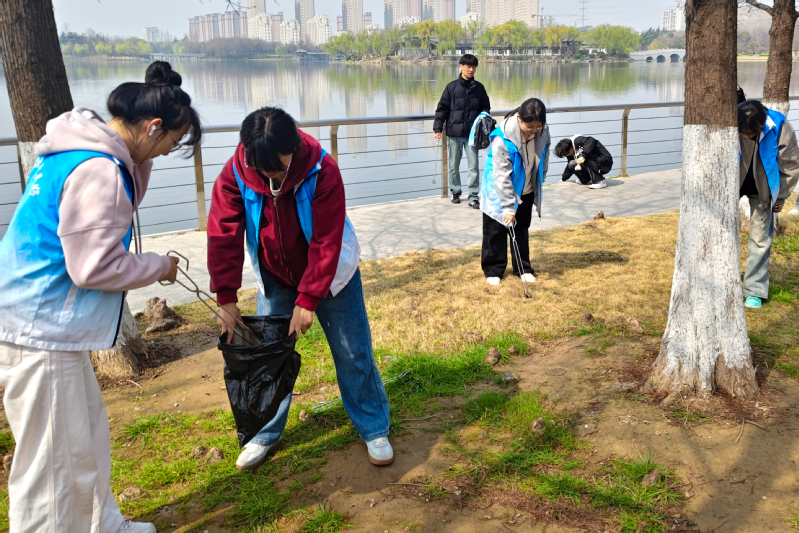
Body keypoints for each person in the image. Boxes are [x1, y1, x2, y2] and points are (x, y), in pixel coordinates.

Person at [0, 62, 200, 533]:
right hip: (40, 329)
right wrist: (158, 266)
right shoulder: (99, 170)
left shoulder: (81, 151)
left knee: (84, 437)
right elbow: (93, 267)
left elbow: (115, 211)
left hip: (41, 322)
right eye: (171, 143)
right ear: (153, 127)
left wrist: (138, 161)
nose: (166, 152)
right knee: (51, 465)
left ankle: (103, 525)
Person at [207, 107, 393, 470]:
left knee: (353, 352)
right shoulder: (235, 172)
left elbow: (326, 241)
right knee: (269, 357)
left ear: (292, 147)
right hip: (275, 277)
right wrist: (226, 298)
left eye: (278, 166)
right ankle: (264, 432)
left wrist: (308, 299)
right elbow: (222, 235)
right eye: (263, 168)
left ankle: (374, 427)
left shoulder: (323, 169)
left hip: (332, 275)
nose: (272, 175)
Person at [480, 98, 550, 286]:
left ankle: (523, 268)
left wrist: (540, 177)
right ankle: (493, 269)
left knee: (521, 228)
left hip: (526, 186)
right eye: (530, 126)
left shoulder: (542, 131)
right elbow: (501, 176)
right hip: (498, 188)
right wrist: (509, 208)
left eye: (538, 126)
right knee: (495, 229)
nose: (534, 130)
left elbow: (544, 155)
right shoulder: (501, 138)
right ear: (519, 118)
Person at [738, 100, 799, 309]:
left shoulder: (778, 125)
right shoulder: (729, 120)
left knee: (760, 239)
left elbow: (790, 164)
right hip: (730, 186)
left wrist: (781, 197)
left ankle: (754, 290)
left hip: (764, 190)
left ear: (762, 124)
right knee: (721, 233)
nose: (747, 136)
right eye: (744, 132)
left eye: (752, 132)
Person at [433, 54, 491, 209]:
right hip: (454, 133)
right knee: (453, 165)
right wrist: (438, 128)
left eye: (474, 67)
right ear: (461, 66)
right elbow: (442, 109)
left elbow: (485, 107)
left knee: (473, 166)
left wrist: (483, 119)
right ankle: (455, 191)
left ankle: (473, 196)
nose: (471, 70)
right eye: (468, 66)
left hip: (473, 134)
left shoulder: (479, 88)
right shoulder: (451, 87)